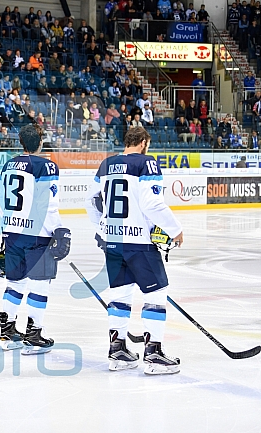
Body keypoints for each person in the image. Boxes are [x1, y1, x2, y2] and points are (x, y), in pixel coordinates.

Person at [86, 126, 183, 375]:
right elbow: (152, 203)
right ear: (142, 142)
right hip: (139, 243)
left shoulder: (106, 165)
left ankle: (117, 352)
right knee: (156, 293)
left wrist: (102, 228)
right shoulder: (146, 163)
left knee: (119, 295)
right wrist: (174, 229)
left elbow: (90, 201)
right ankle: (153, 354)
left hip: (113, 242)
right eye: (147, 144)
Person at [0, 124, 70, 354]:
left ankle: (7, 331)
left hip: (13, 233)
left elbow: (3, 200)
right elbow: (46, 204)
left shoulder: (8, 165)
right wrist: (59, 230)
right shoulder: (46, 166)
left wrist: (6, 230)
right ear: (40, 141)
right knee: (40, 283)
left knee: (15, 282)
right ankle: (34, 334)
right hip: (36, 234)